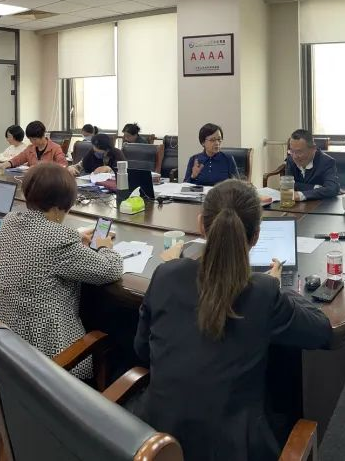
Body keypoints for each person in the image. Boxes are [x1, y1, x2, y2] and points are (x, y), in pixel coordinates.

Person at [134, 179, 331, 460]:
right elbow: (322, 330)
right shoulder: (263, 292)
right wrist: (279, 287)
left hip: (158, 446)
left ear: (201, 225)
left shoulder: (166, 275)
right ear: (256, 236)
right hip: (233, 449)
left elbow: (142, 349)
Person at [0, 164, 122, 379]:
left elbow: (40, 240)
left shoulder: (10, 221)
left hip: (4, 343)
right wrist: (105, 246)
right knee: (120, 344)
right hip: (51, 359)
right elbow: (110, 270)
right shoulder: (58, 239)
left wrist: (75, 237)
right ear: (62, 205)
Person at [283, 128, 340, 201]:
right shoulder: (290, 160)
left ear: (313, 149)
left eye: (299, 152)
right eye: (291, 151)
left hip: (320, 205)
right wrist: (314, 187)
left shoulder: (327, 162)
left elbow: (332, 189)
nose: (294, 156)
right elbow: (288, 186)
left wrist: (301, 195)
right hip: (296, 205)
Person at [0, 121, 66, 169]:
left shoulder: (55, 148)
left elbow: (63, 166)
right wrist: (2, 166)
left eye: (34, 139)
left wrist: (40, 168)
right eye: (30, 139)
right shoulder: (30, 149)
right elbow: (16, 160)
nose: (32, 142)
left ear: (43, 135)